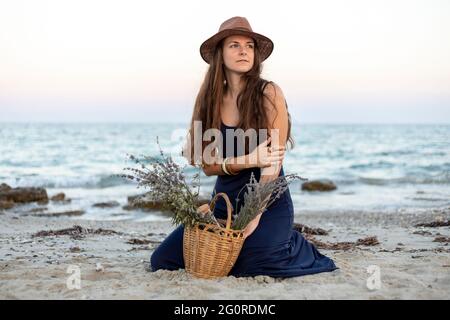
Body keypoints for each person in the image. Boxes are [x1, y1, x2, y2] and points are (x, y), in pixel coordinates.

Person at [150, 16, 338, 277]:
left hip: (268, 201)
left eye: (249, 46)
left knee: (253, 265)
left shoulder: (269, 93)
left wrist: (254, 214)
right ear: (220, 54)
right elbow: (208, 166)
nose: (243, 51)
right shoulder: (209, 101)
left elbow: (272, 164)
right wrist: (250, 159)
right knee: (163, 259)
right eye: (234, 45)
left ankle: (294, 243)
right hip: (224, 204)